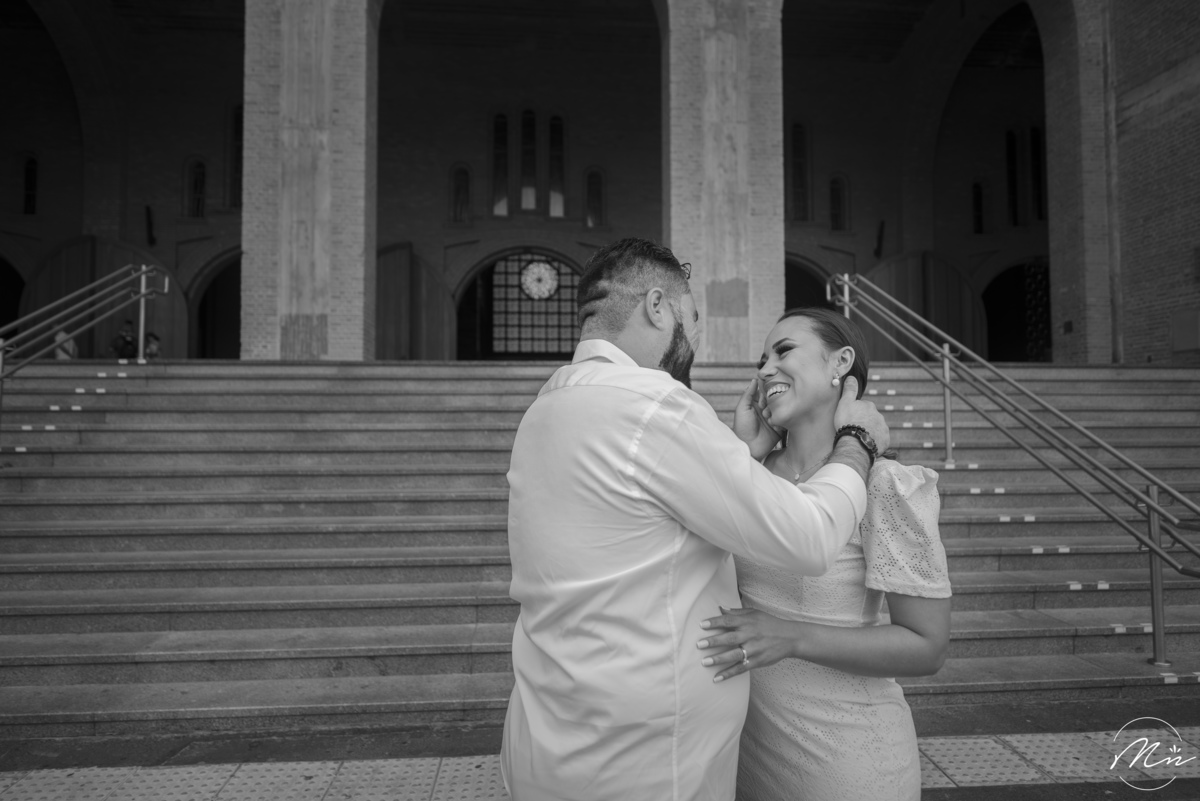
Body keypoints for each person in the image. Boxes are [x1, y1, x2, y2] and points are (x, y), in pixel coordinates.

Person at [500, 238, 891, 801]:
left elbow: (653, 525)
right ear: (658, 307)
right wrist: (856, 442)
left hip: (554, 735)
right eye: (694, 317)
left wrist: (743, 454)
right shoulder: (651, 404)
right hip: (644, 763)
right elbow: (806, 537)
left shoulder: (547, 409)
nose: (698, 338)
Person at [696, 307, 952, 801]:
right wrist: (743, 453)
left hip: (847, 761)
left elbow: (928, 645)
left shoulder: (885, 484)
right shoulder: (748, 473)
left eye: (784, 351)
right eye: (761, 359)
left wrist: (790, 636)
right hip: (747, 756)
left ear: (841, 363)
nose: (765, 368)